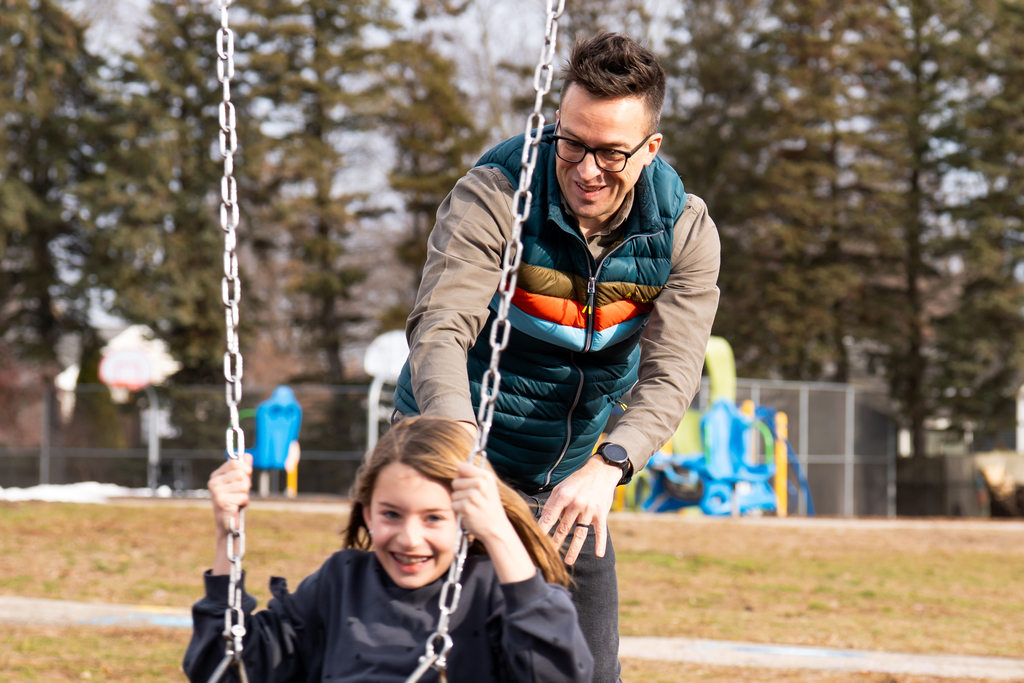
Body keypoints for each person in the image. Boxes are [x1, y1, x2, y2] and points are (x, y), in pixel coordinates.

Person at [393, 32, 721, 682]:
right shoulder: (497, 192)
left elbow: (673, 372)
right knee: (437, 662)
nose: (586, 167)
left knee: (589, 669)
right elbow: (440, 328)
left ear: (651, 149)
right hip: (454, 458)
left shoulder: (683, 230)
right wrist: (459, 444)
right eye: (571, 141)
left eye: (611, 152)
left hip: (570, 479)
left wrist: (611, 464)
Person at [183, 416, 594, 683]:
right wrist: (226, 535)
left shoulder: (495, 590)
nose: (410, 538)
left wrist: (501, 535)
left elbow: (559, 676)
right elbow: (226, 670)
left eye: (434, 518)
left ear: (466, 518)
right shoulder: (341, 581)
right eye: (392, 515)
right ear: (366, 513)